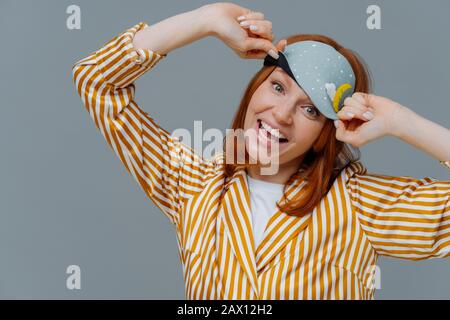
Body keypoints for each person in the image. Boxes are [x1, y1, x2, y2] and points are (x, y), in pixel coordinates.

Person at [71, 2, 450, 299]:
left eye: (310, 109)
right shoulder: (193, 185)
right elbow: (97, 82)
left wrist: (403, 122)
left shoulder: (360, 207)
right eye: (279, 87)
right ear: (256, 87)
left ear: (326, 132)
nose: (281, 115)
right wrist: (206, 19)